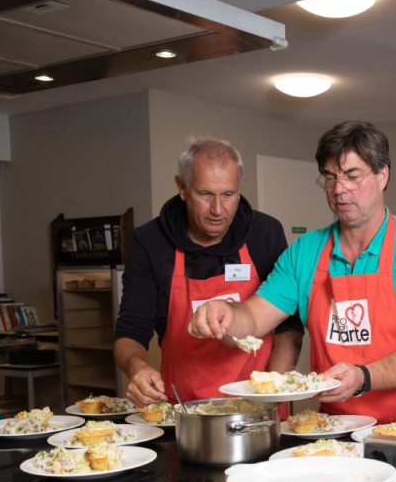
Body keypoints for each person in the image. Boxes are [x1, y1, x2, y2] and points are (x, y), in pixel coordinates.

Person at [188, 121, 396, 423]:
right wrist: (224, 314)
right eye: (329, 178)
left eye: (352, 176)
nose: (339, 190)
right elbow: (253, 317)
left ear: (382, 176)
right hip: (335, 427)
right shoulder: (306, 252)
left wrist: (363, 377)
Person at [114, 137, 303, 406]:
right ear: (182, 187)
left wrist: (272, 393)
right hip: (182, 409)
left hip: (259, 406)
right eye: (204, 194)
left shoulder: (265, 233)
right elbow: (130, 330)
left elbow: (289, 326)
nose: (217, 210)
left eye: (228, 195)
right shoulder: (150, 241)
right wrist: (136, 367)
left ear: (241, 186)